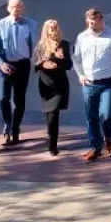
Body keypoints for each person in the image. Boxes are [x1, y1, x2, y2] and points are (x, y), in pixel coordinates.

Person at [72, 7, 111, 162]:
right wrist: (80, 75)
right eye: (90, 22)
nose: (92, 25)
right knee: (91, 116)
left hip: (108, 81)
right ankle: (95, 147)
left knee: (106, 114)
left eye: (95, 21)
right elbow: (76, 58)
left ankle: (108, 136)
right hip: (89, 82)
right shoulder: (82, 37)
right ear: (87, 21)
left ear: (101, 20)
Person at [0, 0, 37, 146]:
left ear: (23, 8)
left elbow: (35, 45)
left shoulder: (30, 24)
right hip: (5, 65)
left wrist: (35, 60)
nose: (16, 9)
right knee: (3, 97)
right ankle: (7, 125)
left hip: (22, 65)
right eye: (13, 7)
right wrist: (1, 63)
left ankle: (15, 128)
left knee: (19, 99)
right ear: (8, 8)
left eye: (19, 6)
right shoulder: (1, 25)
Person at [34, 19, 72, 157]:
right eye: (50, 28)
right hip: (46, 84)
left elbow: (69, 65)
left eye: (55, 27)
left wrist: (58, 63)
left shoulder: (64, 44)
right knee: (49, 114)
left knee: (54, 113)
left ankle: (52, 145)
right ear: (46, 30)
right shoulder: (41, 45)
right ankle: (51, 137)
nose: (53, 30)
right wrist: (44, 63)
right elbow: (36, 65)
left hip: (60, 84)